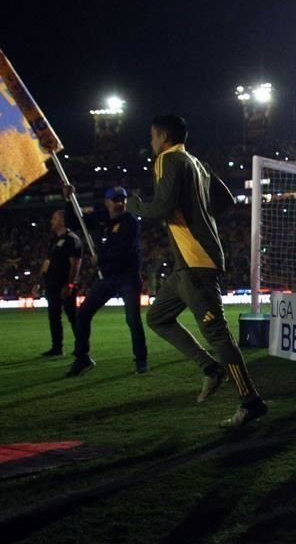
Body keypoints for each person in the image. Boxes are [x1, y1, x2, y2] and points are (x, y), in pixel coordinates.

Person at [128, 114, 267, 427]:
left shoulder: (167, 159)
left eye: (152, 137)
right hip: (186, 266)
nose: (151, 143)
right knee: (157, 317)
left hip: (196, 262)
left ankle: (251, 401)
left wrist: (134, 206)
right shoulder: (197, 163)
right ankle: (210, 368)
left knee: (218, 335)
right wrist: (198, 216)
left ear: (163, 136)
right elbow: (226, 199)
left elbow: (161, 208)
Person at [65, 185, 149, 377]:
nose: (120, 203)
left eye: (122, 199)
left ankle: (141, 360)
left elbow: (123, 249)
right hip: (109, 277)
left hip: (127, 277)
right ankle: (82, 357)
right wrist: (69, 200)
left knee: (133, 320)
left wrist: (100, 258)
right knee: (83, 313)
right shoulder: (102, 218)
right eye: (116, 199)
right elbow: (74, 221)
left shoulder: (131, 222)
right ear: (107, 202)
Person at [37, 209, 83, 360]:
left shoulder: (72, 239)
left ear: (62, 220)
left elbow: (75, 264)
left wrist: (70, 285)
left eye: (54, 218)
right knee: (54, 316)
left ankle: (81, 346)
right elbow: (47, 261)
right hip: (52, 284)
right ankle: (57, 347)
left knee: (72, 316)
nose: (52, 221)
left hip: (64, 284)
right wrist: (39, 281)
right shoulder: (54, 240)